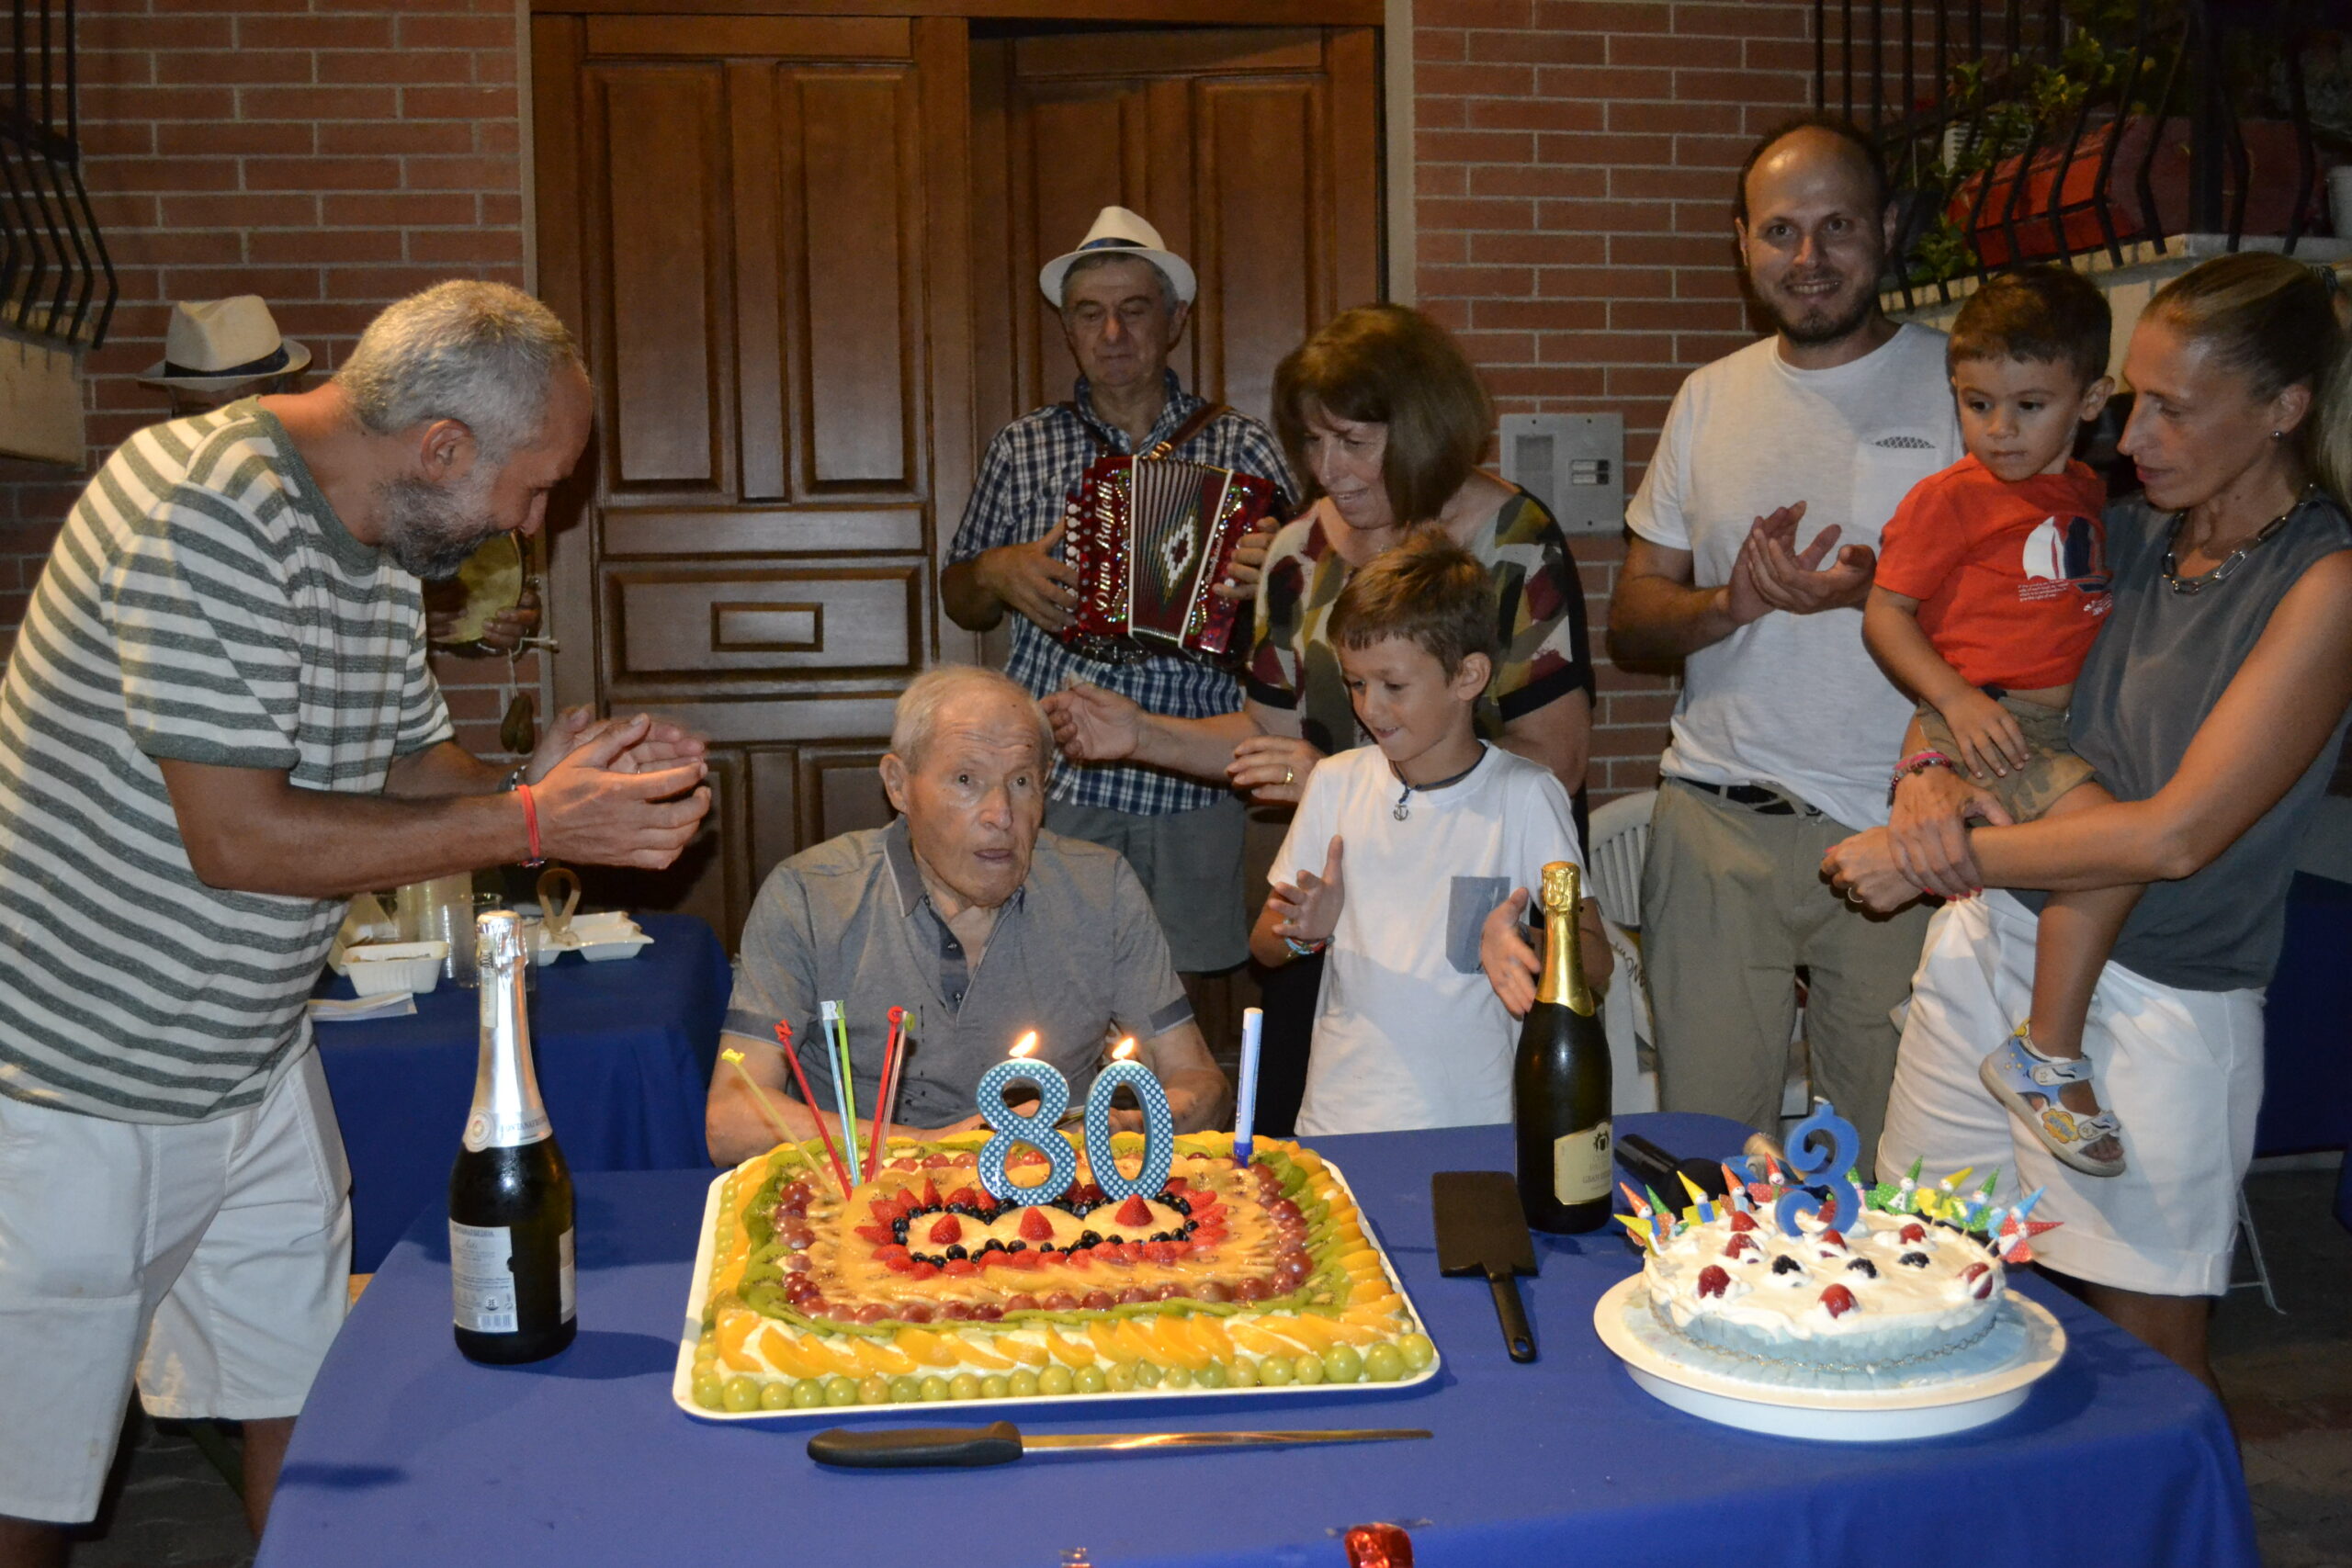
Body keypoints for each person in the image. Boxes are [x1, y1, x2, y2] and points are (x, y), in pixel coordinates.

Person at [0, 280, 712, 1564]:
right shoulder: (200, 507)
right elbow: (244, 838)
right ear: (441, 446)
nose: (531, 524)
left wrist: (539, 780)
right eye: (533, 488)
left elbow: (403, 770)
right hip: (69, 1085)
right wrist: (539, 827)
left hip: (250, 1065)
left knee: (318, 1407)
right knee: (30, 1485)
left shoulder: (378, 545)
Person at [1825, 252, 2352, 1391]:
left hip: (2161, 993)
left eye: (2172, 407)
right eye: (2135, 398)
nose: (2136, 433)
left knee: (2148, 1359)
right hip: (1988, 945)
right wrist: (1929, 766)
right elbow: (1994, 668)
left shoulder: (2323, 586)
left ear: (2283, 410)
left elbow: (2173, 837)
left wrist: (1937, 854)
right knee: (1924, 1281)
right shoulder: (2134, 529)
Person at [1046, 304, 1597, 1130]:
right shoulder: (1299, 550)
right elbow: (1272, 739)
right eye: (1312, 441)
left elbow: (1552, 758)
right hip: (1343, 900)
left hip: (1480, 919)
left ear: (1419, 431)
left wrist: (1359, 777)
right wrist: (1141, 734)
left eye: (1354, 442)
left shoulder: (1512, 542)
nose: (1327, 468)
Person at [1606, 115, 1962, 1177]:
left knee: (1885, 1168)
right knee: (1711, 1162)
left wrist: (1883, 601)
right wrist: (1734, 603)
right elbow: (1631, 619)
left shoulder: (1964, 394)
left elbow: (2025, 621)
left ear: (1888, 229)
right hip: (1717, 822)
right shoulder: (1707, 399)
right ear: (1742, 243)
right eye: (1780, 232)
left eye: (1837, 226)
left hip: (1898, 833)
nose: (1807, 260)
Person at [941, 206, 1295, 1009]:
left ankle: (1187, 1139)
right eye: (1089, 314)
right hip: (1055, 770)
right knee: (1047, 987)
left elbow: (1315, 606)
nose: (1112, 333)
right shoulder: (1023, 445)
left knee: (1191, 993)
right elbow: (960, 599)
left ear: (1173, 322)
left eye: (1134, 311)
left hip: (1191, 772)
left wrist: (1272, 574)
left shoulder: (1240, 446)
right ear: (1067, 330)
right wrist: (995, 570)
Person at [707, 665, 1229, 1168]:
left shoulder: (1102, 887)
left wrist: (1122, 1128)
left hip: (1059, 1206)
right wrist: (933, 1149)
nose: (1000, 814)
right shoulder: (810, 895)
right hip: (864, 1204)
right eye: (965, 779)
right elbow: (732, 1119)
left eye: (1022, 782)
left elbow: (1199, 1082)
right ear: (898, 784)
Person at [1864, 266, 2134, 1177]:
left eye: (2028, 404)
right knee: (2113, 853)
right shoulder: (1948, 498)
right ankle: (2045, 1057)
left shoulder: (2090, 495)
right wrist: (1954, 699)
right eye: (1977, 404)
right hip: (1997, 724)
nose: (1999, 429)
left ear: (2091, 399)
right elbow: (1885, 614)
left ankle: (2004, 1025)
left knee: (2070, 875)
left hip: (2048, 732)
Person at [1249, 536, 1602, 1134]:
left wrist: (1528, 946)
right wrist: (1306, 933)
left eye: (1393, 685)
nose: (1371, 708)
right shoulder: (1335, 784)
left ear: (1468, 676)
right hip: (1339, 1126)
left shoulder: (1525, 795)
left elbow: (1595, 959)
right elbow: (1264, 944)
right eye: (1356, 684)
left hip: (1479, 1126)